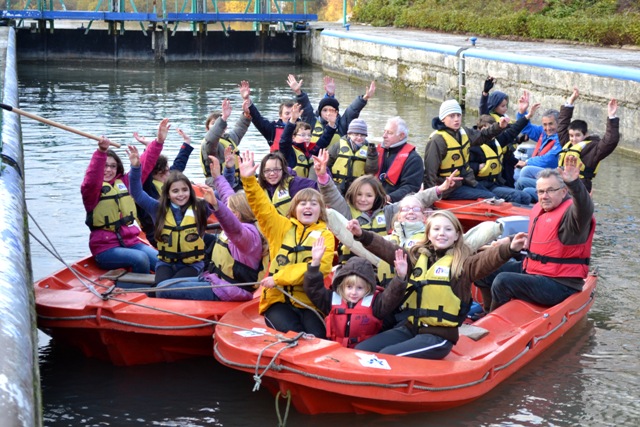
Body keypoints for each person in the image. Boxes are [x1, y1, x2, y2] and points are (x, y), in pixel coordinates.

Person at [346, 210, 526, 359]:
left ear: (456, 235)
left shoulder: (462, 265)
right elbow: (387, 249)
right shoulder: (417, 259)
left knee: (386, 356)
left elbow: (486, 260)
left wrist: (510, 248)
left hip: (439, 336)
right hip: (411, 328)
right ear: (429, 234)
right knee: (361, 350)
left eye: (448, 229)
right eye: (437, 229)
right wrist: (362, 235)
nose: (442, 233)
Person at [239, 150, 335, 337]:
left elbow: (322, 268)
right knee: (294, 333)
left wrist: (278, 278)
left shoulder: (326, 235)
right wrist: (249, 181)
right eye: (302, 204)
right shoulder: (280, 227)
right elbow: (262, 208)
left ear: (320, 210)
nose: (308, 207)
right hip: (278, 299)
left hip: (309, 301)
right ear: (294, 208)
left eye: (313, 204)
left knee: (317, 335)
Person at [487, 156, 595, 311]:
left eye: (550, 190)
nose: (544, 196)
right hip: (533, 270)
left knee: (503, 281)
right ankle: (486, 311)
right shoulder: (541, 209)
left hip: (560, 283)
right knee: (487, 269)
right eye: (541, 191)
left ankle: (495, 318)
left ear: (564, 191)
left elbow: (585, 208)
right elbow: (541, 237)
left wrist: (574, 184)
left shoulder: (574, 216)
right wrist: (510, 240)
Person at [154, 156, 268, 302]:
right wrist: (218, 177)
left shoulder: (247, 235)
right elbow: (227, 195)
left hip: (230, 290)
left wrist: (216, 206)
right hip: (216, 280)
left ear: (236, 214)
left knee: (163, 289)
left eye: (229, 209)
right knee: (163, 285)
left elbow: (232, 226)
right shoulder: (242, 221)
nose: (227, 208)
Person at [81, 119, 167, 277]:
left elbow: (144, 166)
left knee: (162, 261)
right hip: (105, 248)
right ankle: (140, 288)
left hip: (130, 242)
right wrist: (101, 151)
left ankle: (167, 285)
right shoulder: (91, 191)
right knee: (140, 259)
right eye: (105, 166)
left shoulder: (124, 183)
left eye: (113, 166)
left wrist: (158, 142)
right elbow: (92, 178)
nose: (109, 170)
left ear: (118, 167)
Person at [129, 145, 215, 287]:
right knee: (162, 288)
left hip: (192, 265)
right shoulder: (157, 208)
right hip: (166, 264)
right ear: (168, 194)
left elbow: (223, 193)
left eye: (184, 190)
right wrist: (135, 168)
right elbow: (137, 193)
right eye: (175, 191)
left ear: (190, 191)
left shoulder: (200, 207)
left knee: (170, 288)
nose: (181, 194)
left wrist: (227, 171)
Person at [303, 237, 407, 348]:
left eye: (359, 288)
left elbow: (392, 296)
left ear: (368, 288)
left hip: (364, 352)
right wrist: (315, 263)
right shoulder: (331, 299)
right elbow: (313, 289)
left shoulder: (376, 304)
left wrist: (400, 277)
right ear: (342, 286)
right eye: (349, 287)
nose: (353, 292)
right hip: (336, 352)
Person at [423, 99, 509, 200]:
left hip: (466, 181)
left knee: (493, 197)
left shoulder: (463, 132)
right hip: (447, 189)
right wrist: (429, 199)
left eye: (458, 115)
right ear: (443, 119)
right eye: (452, 116)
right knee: (490, 197)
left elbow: (483, 136)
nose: (456, 119)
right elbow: (430, 173)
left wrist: (499, 126)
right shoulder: (437, 141)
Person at [470, 99, 541, 204]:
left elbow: (513, 131)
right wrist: (477, 167)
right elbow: (463, 166)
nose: (492, 133)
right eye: (490, 130)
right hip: (482, 186)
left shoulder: (496, 141)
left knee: (526, 197)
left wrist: (528, 116)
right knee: (515, 195)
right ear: (482, 129)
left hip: (495, 183)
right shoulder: (473, 144)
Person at [134, 127, 194, 247]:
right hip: (156, 231)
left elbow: (179, 163)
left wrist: (186, 143)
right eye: (164, 172)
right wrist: (149, 148)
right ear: (154, 173)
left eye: (168, 170)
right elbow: (146, 167)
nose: (169, 174)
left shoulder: (168, 177)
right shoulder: (147, 186)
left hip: (176, 225)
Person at [555, 87, 620, 193]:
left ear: (586, 135)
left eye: (577, 135)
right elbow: (562, 126)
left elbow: (610, 141)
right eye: (571, 135)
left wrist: (612, 117)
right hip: (561, 182)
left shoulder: (593, 149)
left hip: (579, 187)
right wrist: (570, 102)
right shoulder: (568, 143)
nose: (574, 139)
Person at [239, 75, 315, 152]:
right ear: (280, 116)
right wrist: (247, 99)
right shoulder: (272, 128)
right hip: (278, 159)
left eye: (292, 113)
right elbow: (257, 118)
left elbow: (307, 111)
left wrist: (298, 92)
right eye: (287, 113)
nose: (290, 116)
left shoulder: (304, 126)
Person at [513, 90, 562, 189]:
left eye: (551, 124)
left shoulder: (561, 139)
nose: (548, 128)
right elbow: (526, 128)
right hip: (540, 170)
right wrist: (522, 112)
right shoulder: (543, 132)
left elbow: (549, 160)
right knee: (514, 172)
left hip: (552, 174)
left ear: (559, 123)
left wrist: (527, 162)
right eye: (545, 124)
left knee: (525, 171)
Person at [200, 98, 251, 188]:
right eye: (213, 123)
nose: (216, 126)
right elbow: (211, 139)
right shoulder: (208, 145)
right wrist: (223, 118)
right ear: (207, 128)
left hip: (236, 181)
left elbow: (240, 127)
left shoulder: (228, 139)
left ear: (225, 127)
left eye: (218, 123)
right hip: (217, 184)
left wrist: (246, 115)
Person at [279, 102, 337, 179]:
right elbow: (284, 140)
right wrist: (292, 120)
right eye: (303, 135)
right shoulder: (288, 151)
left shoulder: (312, 150)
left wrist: (331, 124)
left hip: (307, 184)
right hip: (292, 184)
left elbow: (324, 140)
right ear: (293, 137)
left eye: (309, 135)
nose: (307, 138)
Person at [310, 77, 376, 144]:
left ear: (337, 113)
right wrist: (330, 95)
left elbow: (352, 111)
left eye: (332, 111)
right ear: (320, 112)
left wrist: (365, 98)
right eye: (325, 110)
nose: (328, 113)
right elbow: (306, 108)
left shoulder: (342, 125)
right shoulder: (312, 122)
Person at [377, 116, 425, 203]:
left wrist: (389, 197)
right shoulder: (376, 153)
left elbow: (411, 187)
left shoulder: (414, 159)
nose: (384, 136)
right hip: (372, 199)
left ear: (401, 136)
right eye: (384, 132)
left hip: (394, 204)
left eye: (389, 133)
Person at [256, 151, 318, 217]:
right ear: (262, 172)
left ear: (283, 169)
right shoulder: (258, 187)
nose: (272, 173)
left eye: (276, 169)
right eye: (267, 170)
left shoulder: (295, 183)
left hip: (290, 222)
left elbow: (319, 188)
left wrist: (322, 176)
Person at [327, 118, 378, 195]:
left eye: (362, 135)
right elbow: (327, 165)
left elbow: (371, 172)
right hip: (337, 185)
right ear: (349, 134)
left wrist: (372, 157)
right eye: (356, 134)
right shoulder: (338, 146)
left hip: (358, 187)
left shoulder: (370, 149)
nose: (359, 138)